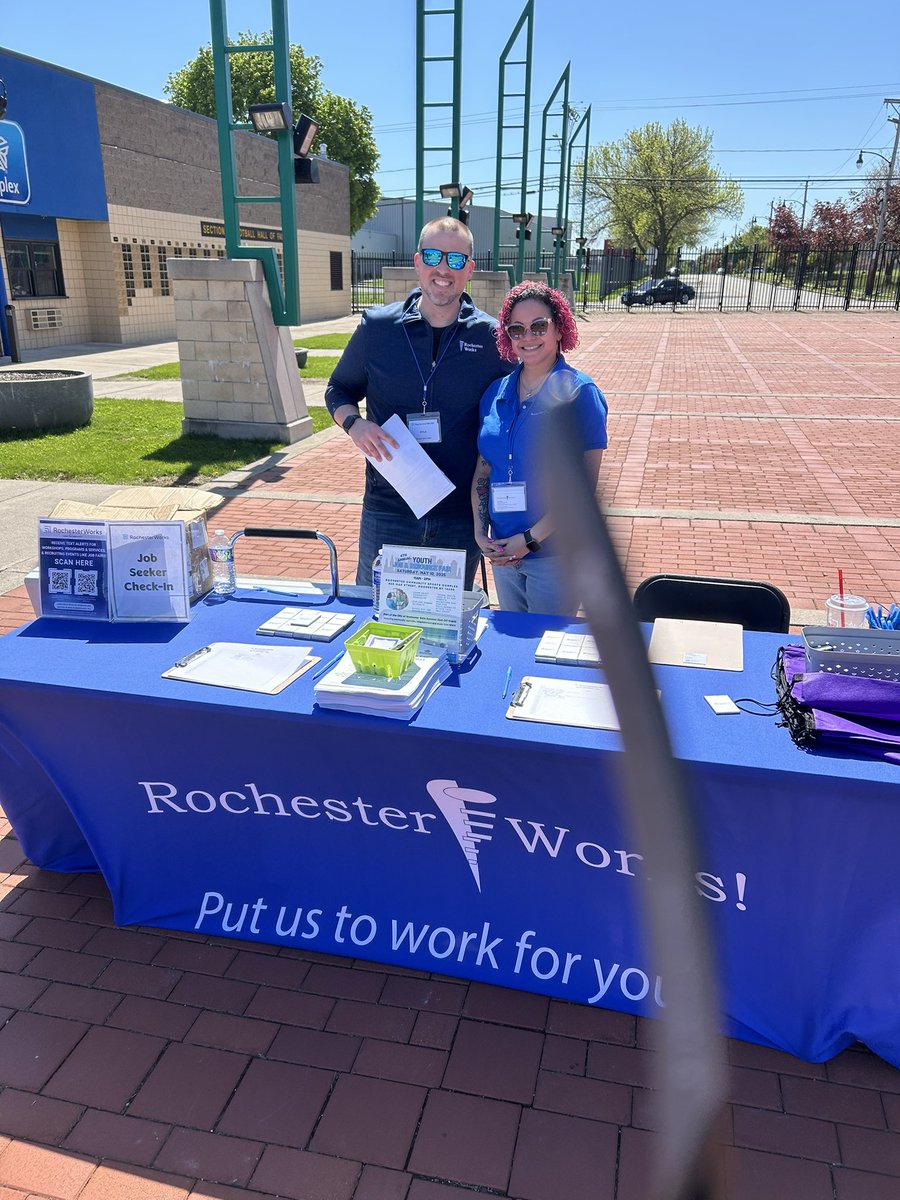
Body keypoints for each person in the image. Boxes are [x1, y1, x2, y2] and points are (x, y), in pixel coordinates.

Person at [326, 217, 513, 588]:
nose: (444, 269)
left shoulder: (492, 338)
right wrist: (355, 424)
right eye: (433, 255)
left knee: (447, 625)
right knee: (376, 614)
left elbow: (519, 408)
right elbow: (337, 389)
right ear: (417, 262)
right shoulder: (378, 328)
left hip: (459, 517)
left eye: (456, 260)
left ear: (470, 270)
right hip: (388, 509)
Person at [472, 281, 608, 615]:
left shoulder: (580, 393)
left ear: (559, 328)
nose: (527, 337)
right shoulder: (495, 392)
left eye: (538, 326)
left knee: (543, 652)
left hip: (555, 558)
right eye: (516, 329)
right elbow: (484, 469)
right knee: (513, 650)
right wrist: (479, 531)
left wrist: (530, 539)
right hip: (503, 552)